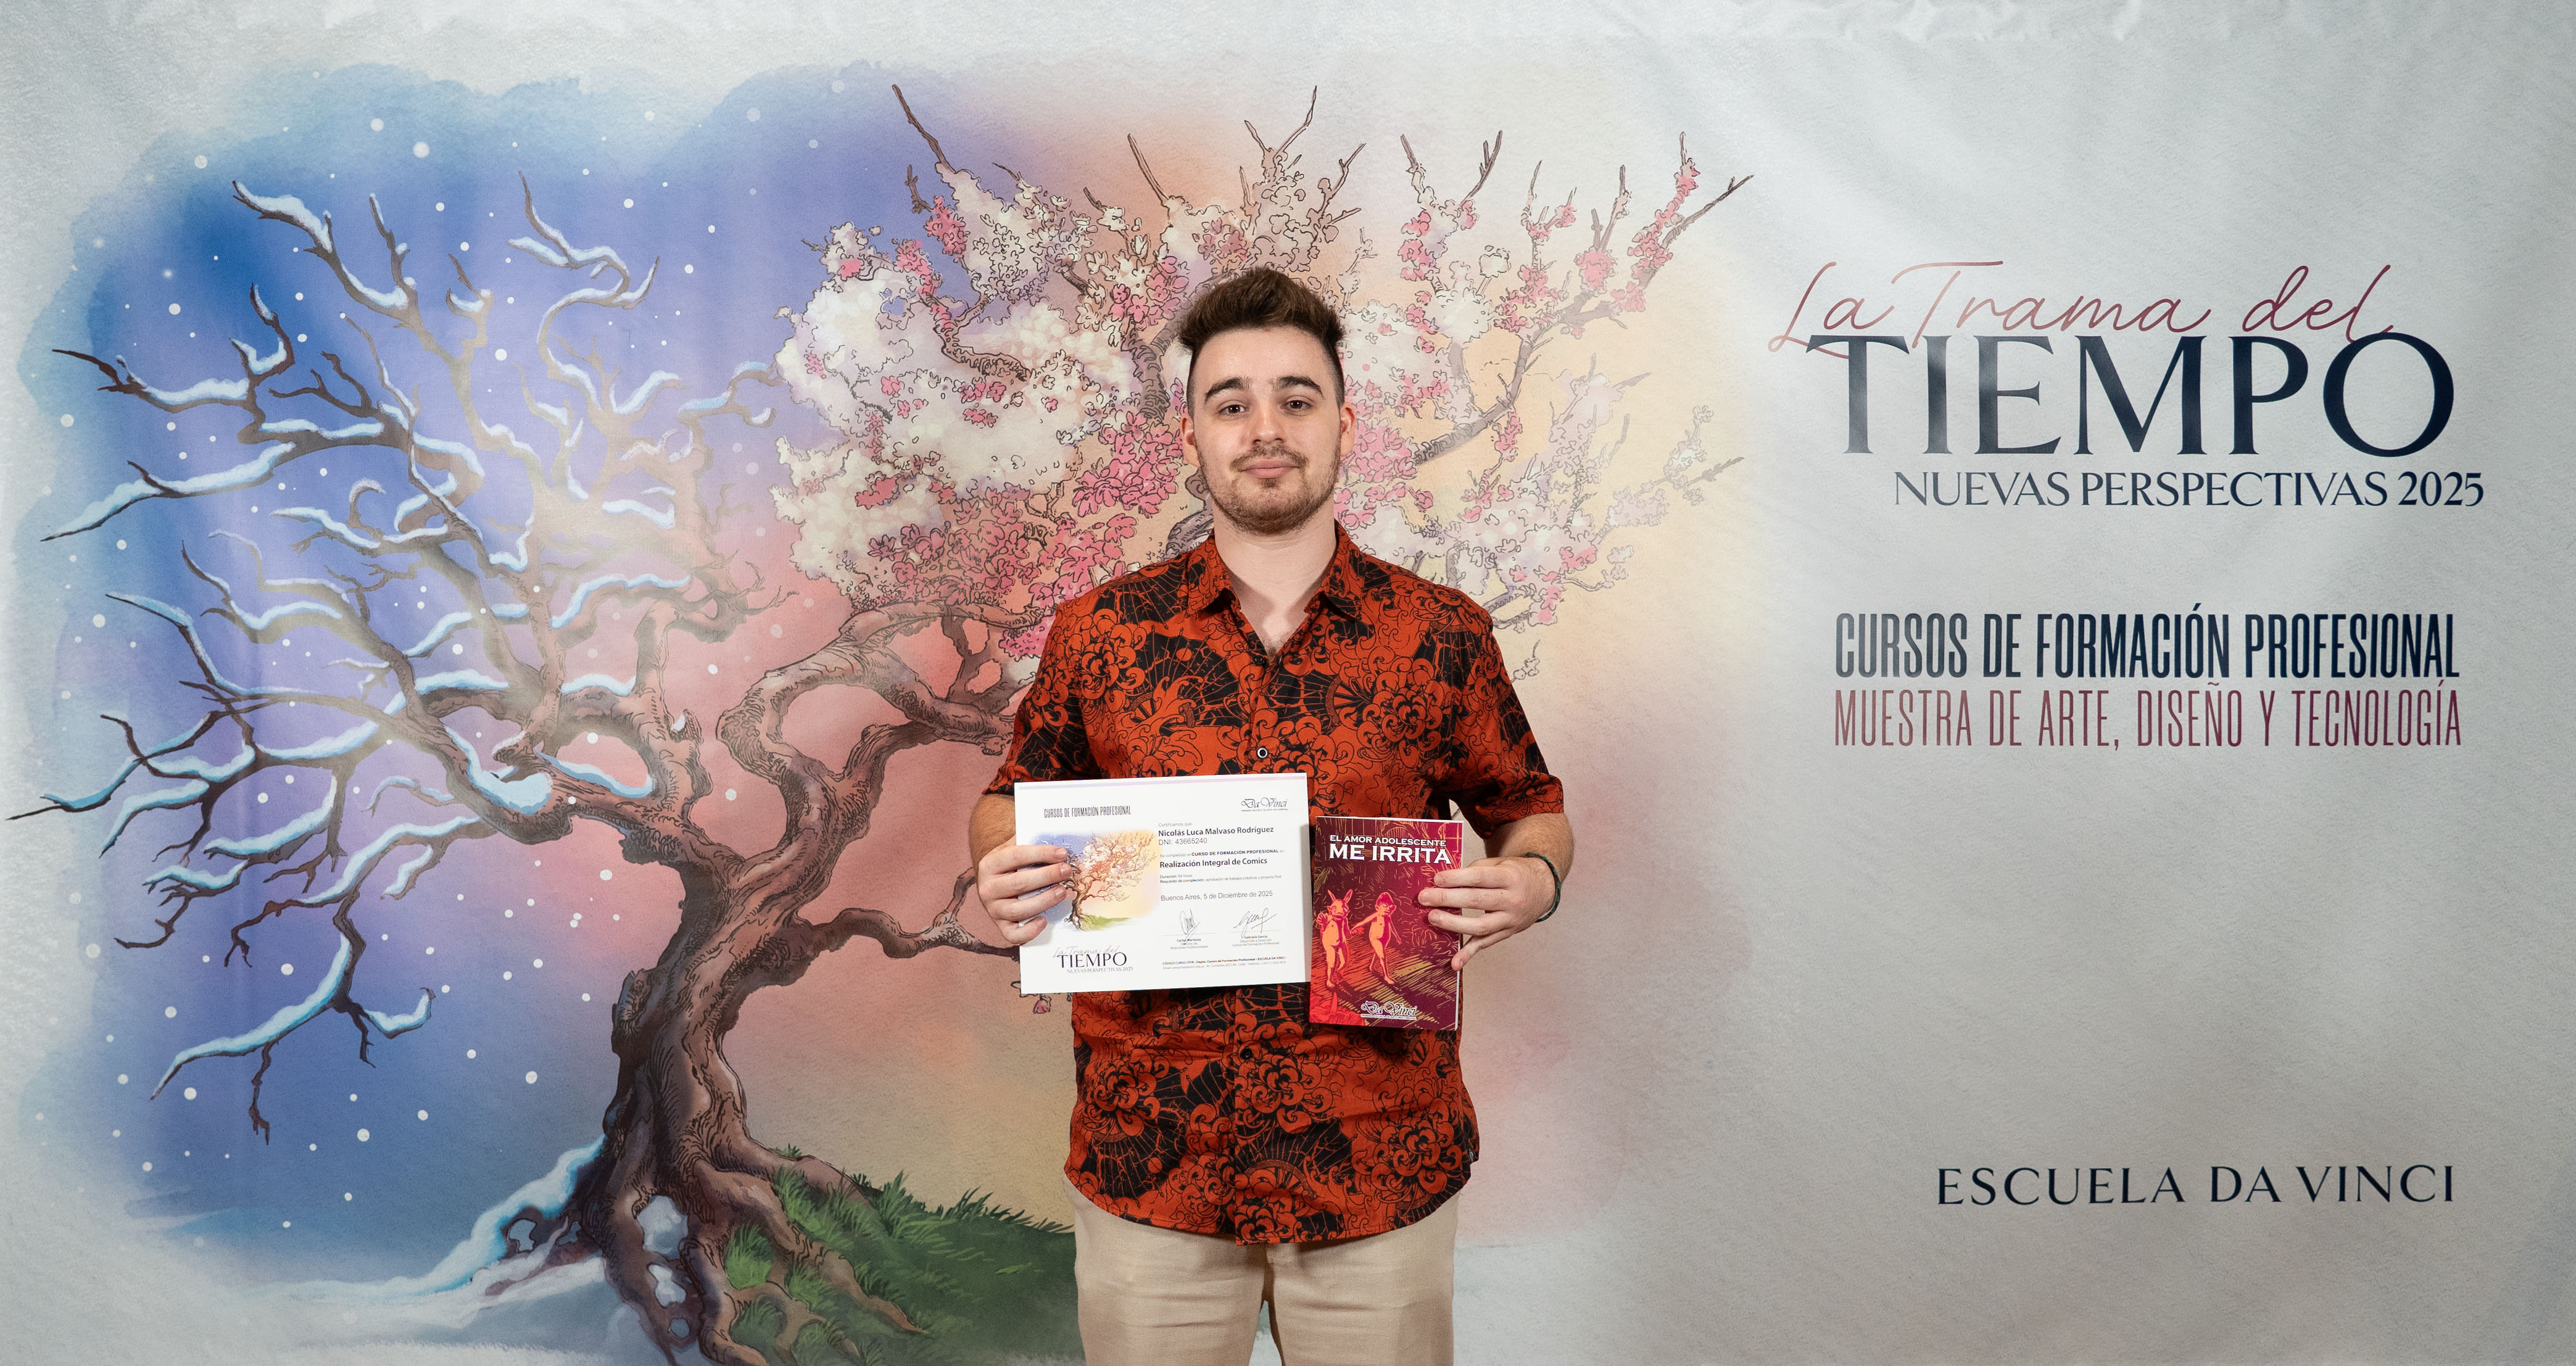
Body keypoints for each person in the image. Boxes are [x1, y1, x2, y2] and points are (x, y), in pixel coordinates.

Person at [966, 266, 1573, 1366]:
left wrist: (1533, 879)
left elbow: (1532, 809)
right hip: (1153, 1160)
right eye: (1230, 402)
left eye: (1297, 398)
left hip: (1380, 1157)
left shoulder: (1441, 634)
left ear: (1345, 424)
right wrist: (1002, 861)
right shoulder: (1101, 633)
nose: (1265, 428)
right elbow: (1011, 798)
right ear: (1192, 436)